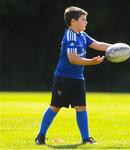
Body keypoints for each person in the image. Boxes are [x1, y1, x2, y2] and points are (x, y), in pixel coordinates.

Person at [35, 6, 111, 145]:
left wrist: (116, 48)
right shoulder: (70, 35)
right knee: (55, 106)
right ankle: (40, 135)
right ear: (73, 21)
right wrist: (92, 62)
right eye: (83, 19)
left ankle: (86, 138)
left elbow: (98, 45)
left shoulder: (82, 35)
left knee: (81, 107)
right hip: (63, 78)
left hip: (78, 78)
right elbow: (72, 58)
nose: (86, 22)